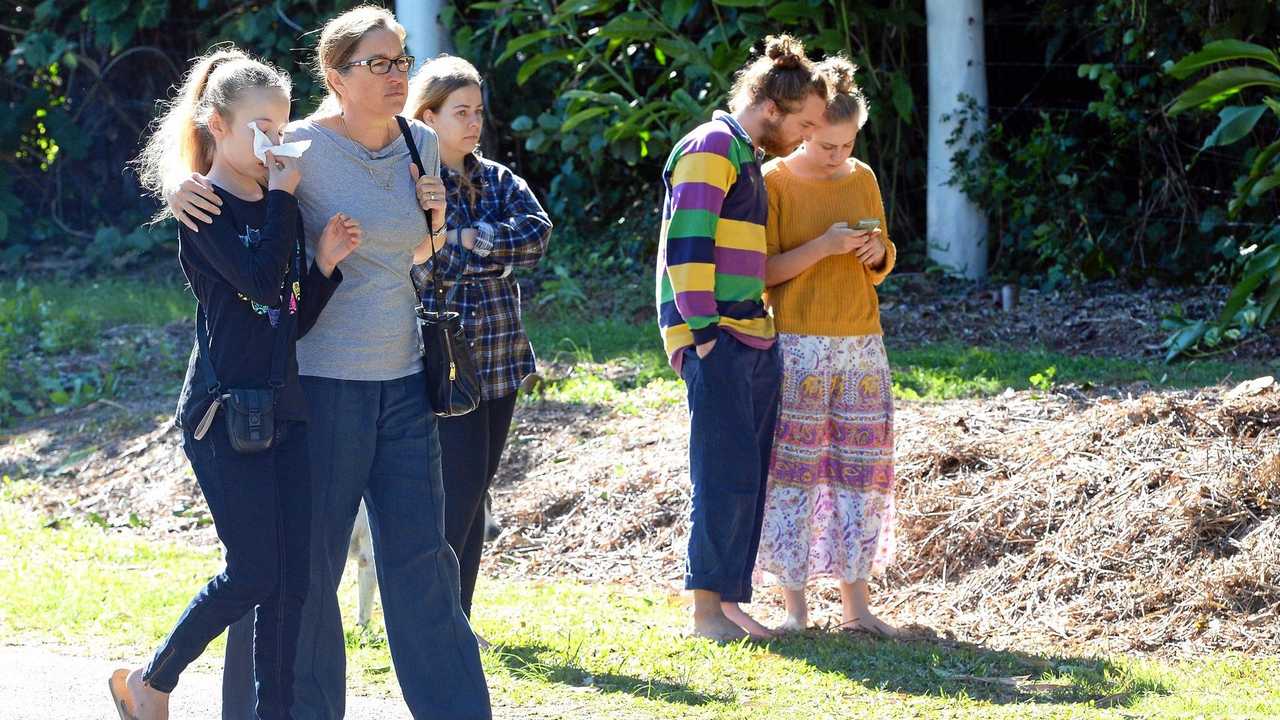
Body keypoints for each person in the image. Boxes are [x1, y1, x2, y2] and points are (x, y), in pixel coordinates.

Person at [165, 7, 492, 719]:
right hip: (319, 386)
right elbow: (229, 191)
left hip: (405, 379)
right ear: (336, 75)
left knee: (424, 565)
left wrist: (434, 228)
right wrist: (178, 186)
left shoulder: (422, 142)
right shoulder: (298, 146)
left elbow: (406, 257)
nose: (397, 74)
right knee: (304, 573)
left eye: (402, 61)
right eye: (378, 64)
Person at [110, 46, 360, 720]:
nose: (274, 143)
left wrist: (327, 267)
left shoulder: (281, 205)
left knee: (292, 586)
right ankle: (152, 681)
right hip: (224, 419)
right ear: (217, 124)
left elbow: (286, 318)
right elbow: (254, 279)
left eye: (281, 128)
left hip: (285, 412)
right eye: (259, 127)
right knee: (253, 571)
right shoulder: (203, 207)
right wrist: (282, 195)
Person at [655, 34, 828, 642]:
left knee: (746, 475)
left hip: (752, 336)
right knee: (721, 472)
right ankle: (704, 611)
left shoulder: (744, 152)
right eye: (804, 123)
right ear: (771, 107)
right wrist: (701, 333)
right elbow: (689, 244)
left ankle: (728, 601)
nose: (808, 136)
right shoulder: (711, 146)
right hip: (720, 336)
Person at [405, 55, 552, 630]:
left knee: (478, 491)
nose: (473, 123)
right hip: (445, 363)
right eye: (459, 112)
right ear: (428, 116)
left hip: (502, 359)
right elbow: (421, 266)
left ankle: (456, 622)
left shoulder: (495, 177)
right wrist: (481, 248)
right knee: (457, 497)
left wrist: (466, 238)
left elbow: (536, 237)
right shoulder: (413, 181)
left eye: (478, 112)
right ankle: (439, 625)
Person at [755, 57, 898, 637]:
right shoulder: (775, 182)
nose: (838, 156)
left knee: (860, 471)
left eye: (847, 145)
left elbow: (884, 257)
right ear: (804, 128)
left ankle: (857, 608)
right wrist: (826, 245)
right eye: (826, 144)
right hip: (797, 346)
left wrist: (875, 254)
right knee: (793, 471)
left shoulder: (861, 176)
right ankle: (794, 608)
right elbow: (763, 270)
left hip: (862, 346)